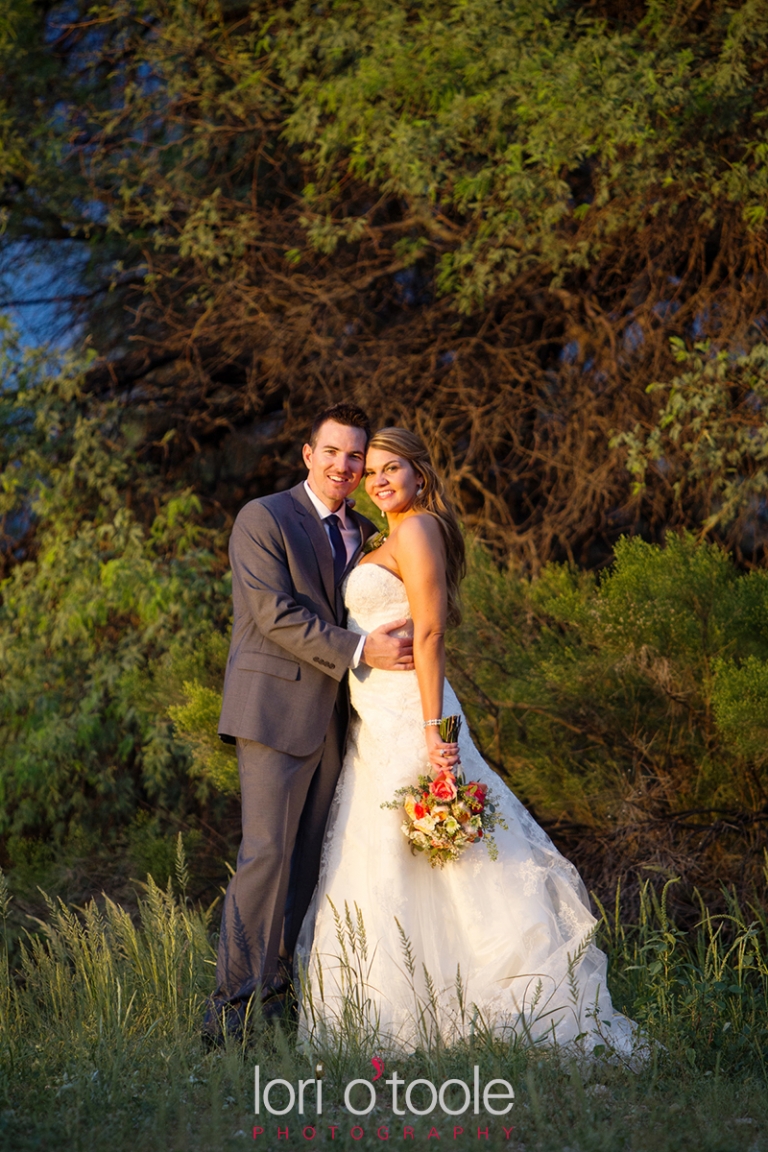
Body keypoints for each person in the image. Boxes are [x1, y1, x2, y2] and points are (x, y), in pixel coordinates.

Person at [296, 427, 641, 1059]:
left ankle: (495, 1010)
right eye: (369, 471)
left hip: (413, 716)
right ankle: (404, 1017)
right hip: (373, 723)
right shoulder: (389, 535)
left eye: (390, 467)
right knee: (387, 864)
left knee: (448, 861)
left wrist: (436, 735)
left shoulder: (420, 530)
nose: (376, 480)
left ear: (420, 474)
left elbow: (429, 636)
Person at [204, 403, 415, 1042]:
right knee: (266, 855)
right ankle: (227, 1014)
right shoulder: (263, 517)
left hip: (339, 719)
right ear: (307, 453)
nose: (345, 466)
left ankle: (282, 1000)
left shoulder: (362, 533)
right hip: (273, 711)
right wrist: (360, 652)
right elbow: (272, 613)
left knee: (310, 864)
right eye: (333, 452)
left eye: (356, 456)